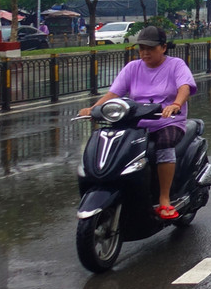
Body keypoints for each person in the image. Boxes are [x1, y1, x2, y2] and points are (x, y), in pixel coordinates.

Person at [78, 25, 197, 220]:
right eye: (142, 48)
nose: (145, 52)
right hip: (136, 124)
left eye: (150, 48)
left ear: (163, 47)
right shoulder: (132, 67)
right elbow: (113, 93)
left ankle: (164, 198)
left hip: (167, 122)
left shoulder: (176, 65)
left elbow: (184, 87)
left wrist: (176, 104)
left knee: (164, 144)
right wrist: (93, 109)